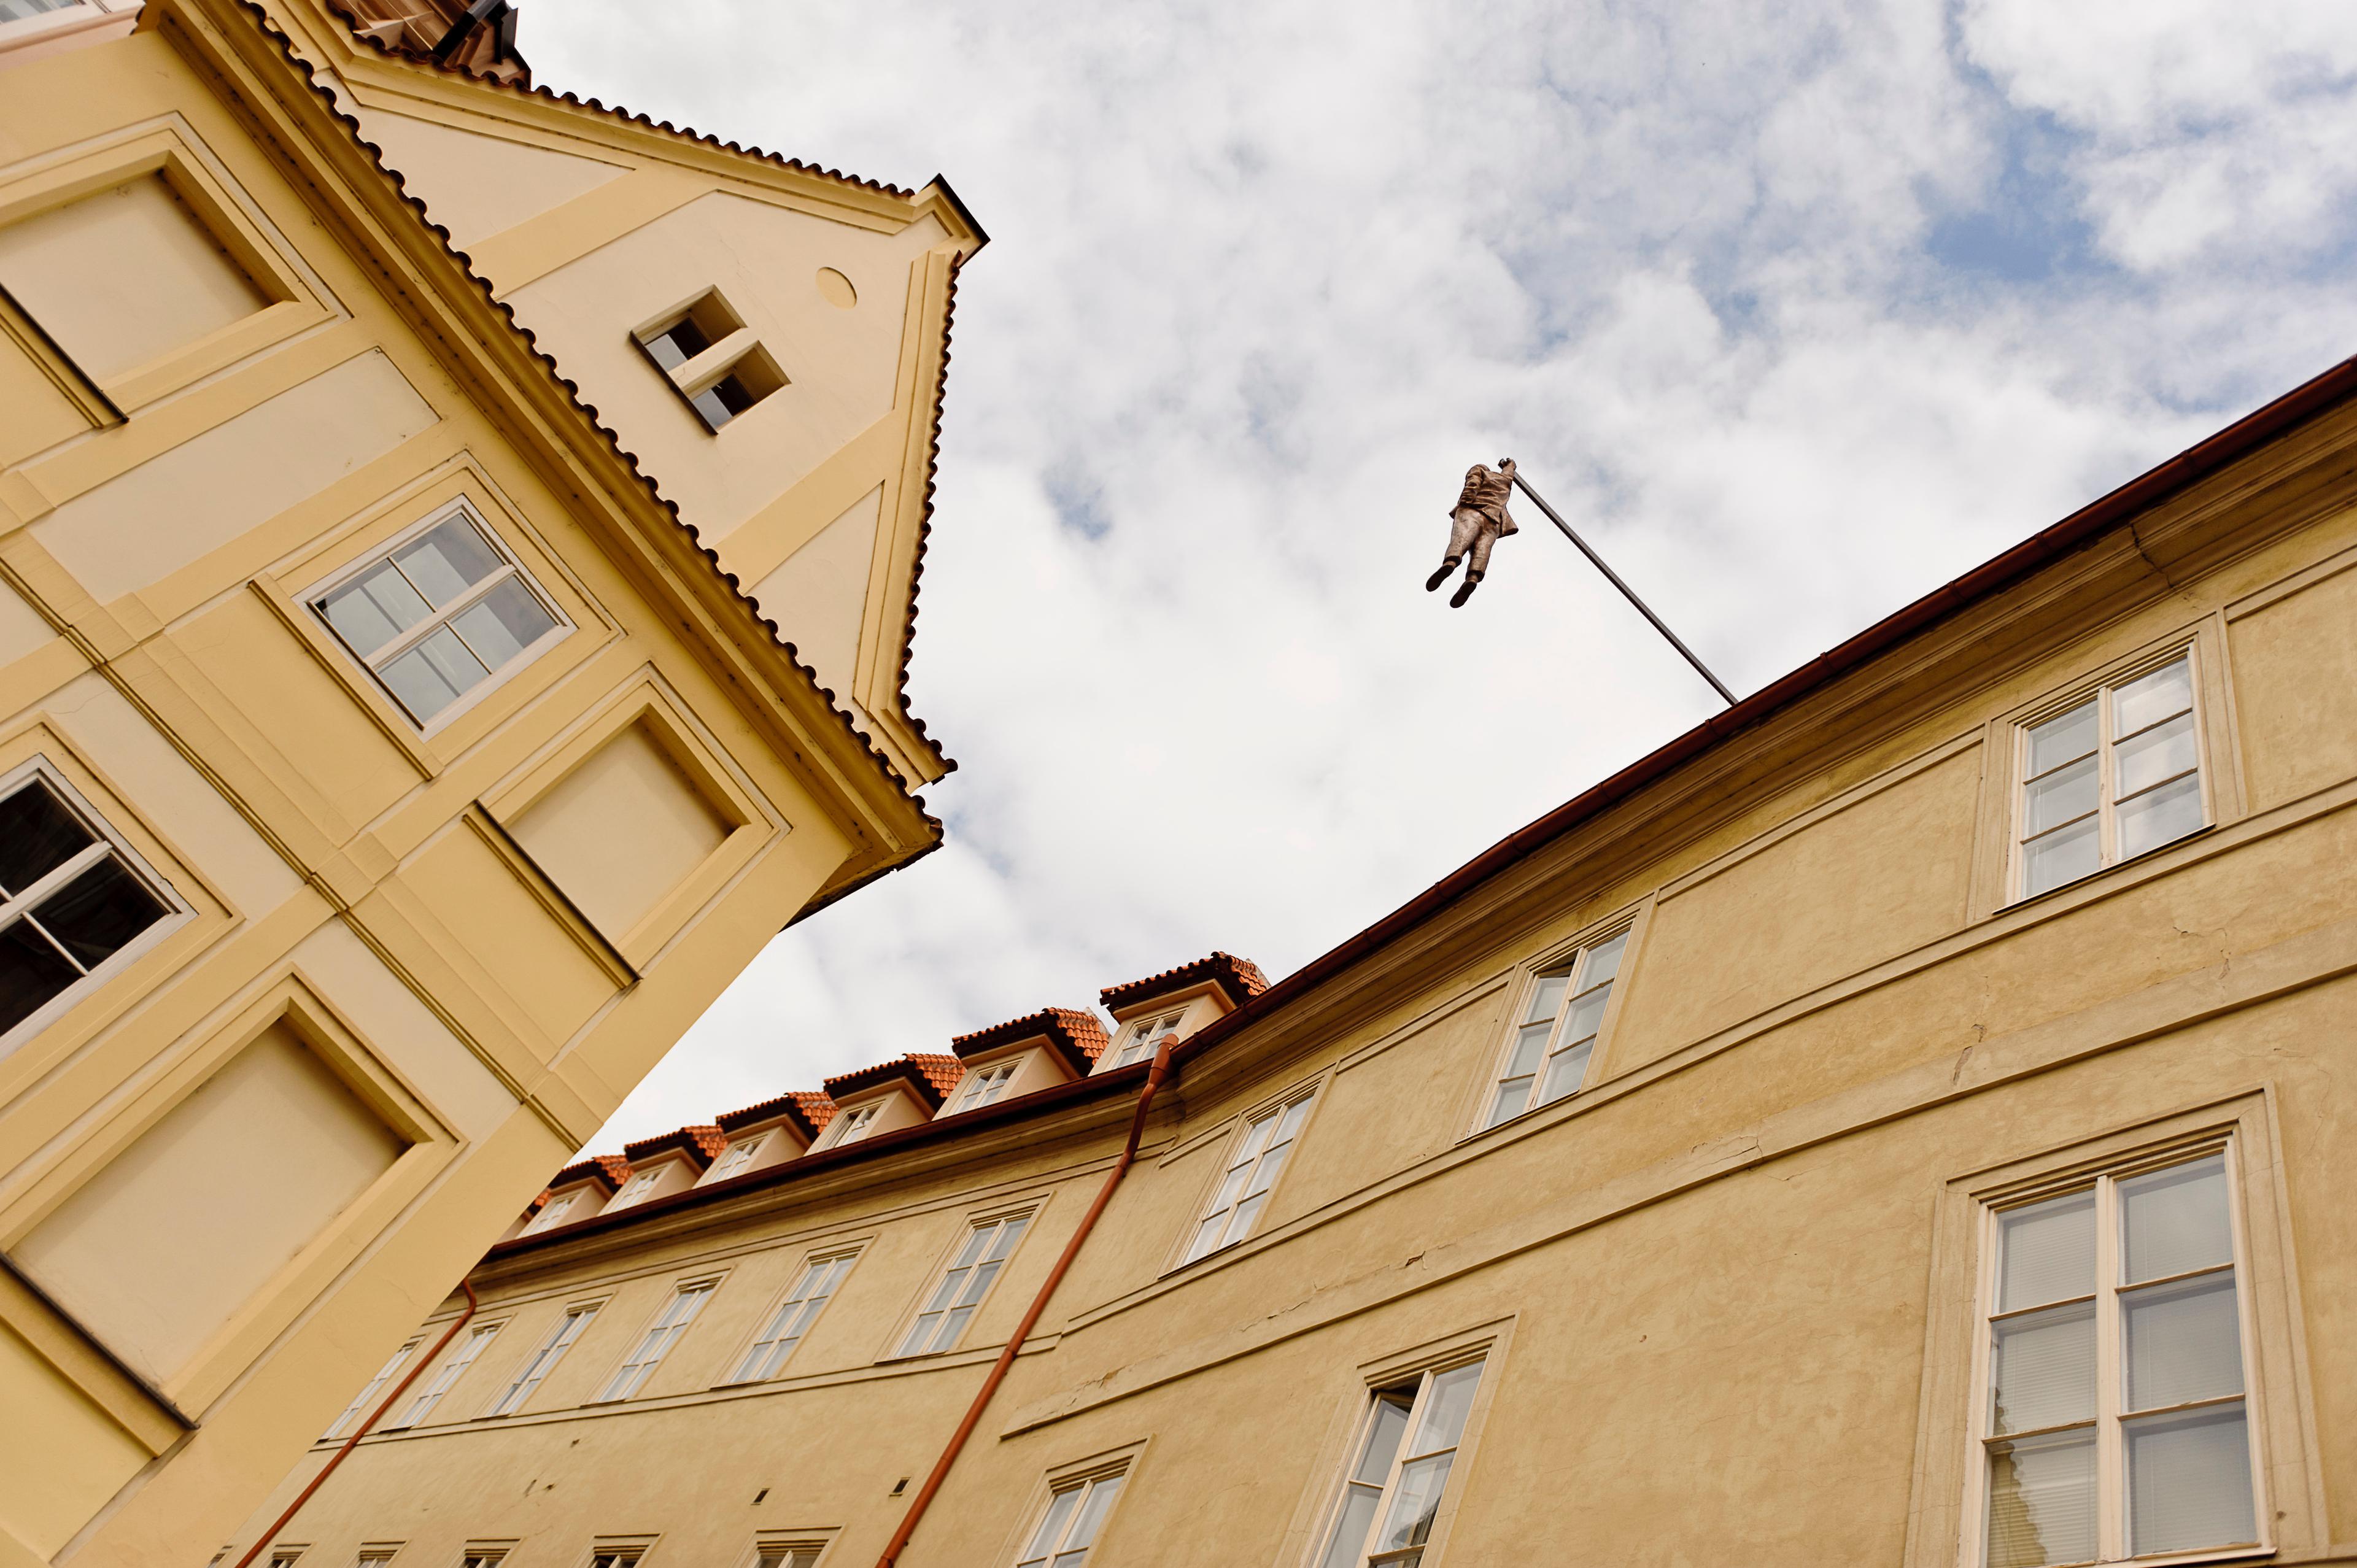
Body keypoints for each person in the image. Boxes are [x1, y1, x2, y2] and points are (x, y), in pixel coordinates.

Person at [1427, 458, 1517, 607]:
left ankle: (1450, 562)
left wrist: (1465, 501)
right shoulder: (1505, 482)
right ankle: (1473, 578)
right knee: (1482, 550)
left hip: (1474, 509)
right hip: (1494, 520)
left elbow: (1472, 484)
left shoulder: (1479, 470)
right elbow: (1508, 476)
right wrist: (1510, 467)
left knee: (1462, 538)